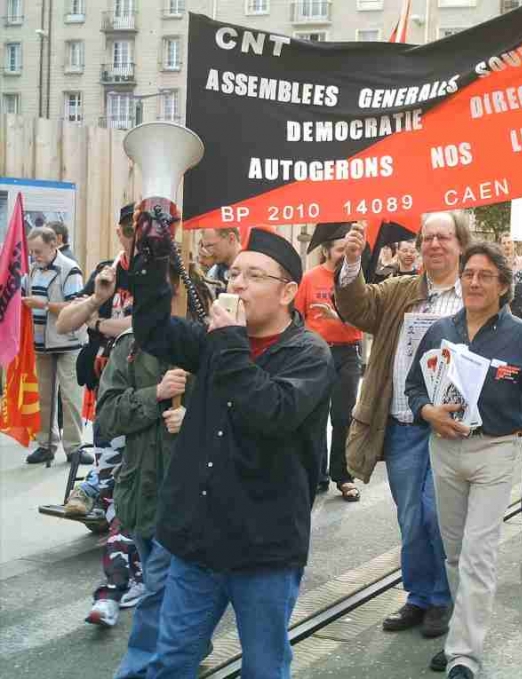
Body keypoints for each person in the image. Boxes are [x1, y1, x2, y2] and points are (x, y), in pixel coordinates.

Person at [131, 228, 334, 678]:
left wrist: (229, 342)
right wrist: (150, 260)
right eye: (235, 272)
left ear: (287, 292)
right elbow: (151, 330)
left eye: (254, 276)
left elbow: (271, 412)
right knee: (171, 662)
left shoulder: (310, 353)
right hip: (197, 541)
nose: (236, 284)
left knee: (263, 668)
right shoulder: (215, 338)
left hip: (264, 549)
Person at [406, 242, 522, 679]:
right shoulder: (440, 330)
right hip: (445, 450)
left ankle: (464, 656)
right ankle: (463, 631)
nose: (474, 282)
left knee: (478, 555)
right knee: (455, 553)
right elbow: (413, 388)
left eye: (485, 276)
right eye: (469, 274)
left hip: (494, 451)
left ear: (503, 285)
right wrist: (427, 412)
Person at [335, 213, 470, 638]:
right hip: (405, 424)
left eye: (443, 237)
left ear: (459, 244)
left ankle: (444, 598)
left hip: (454, 427)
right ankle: (419, 597)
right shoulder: (400, 291)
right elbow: (356, 306)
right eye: (427, 238)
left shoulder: (477, 294)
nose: (434, 245)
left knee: (438, 514)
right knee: (412, 517)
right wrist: (353, 261)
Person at [100, 262, 209, 676]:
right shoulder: (129, 345)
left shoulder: (210, 345)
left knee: (160, 589)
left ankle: (140, 668)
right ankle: (186, 648)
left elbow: (243, 407)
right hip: (142, 491)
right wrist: (155, 395)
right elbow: (107, 416)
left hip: (188, 494)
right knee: (169, 588)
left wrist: (195, 415)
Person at [58, 203, 138, 498]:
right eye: (129, 230)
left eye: (141, 230)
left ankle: (108, 504)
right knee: (108, 459)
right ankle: (103, 499)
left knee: (131, 464)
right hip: (105, 384)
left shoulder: (158, 273)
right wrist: (96, 299)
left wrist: (99, 323)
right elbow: (65, 323)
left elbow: (143, 325)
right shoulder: (107, 270)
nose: (135, 238)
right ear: (119, 233)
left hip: (141, 386)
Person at [295, 227, 363, 501]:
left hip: (348, 353)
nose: (344, 255)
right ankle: (317, 473)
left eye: (348, 250)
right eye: (339, 250)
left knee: (342, 417)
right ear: (326, 251)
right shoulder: (310, 279)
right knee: (315, 416)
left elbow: (365, 319)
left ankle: (343, 476)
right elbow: (296, 318)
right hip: (316, 355)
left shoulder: (355, 279)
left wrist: (338, 317)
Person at [22, 227, 86, 465]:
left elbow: (76, 306)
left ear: (53, 245)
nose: (35, 256)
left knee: (70, 396)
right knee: (44, 398)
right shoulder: (33, 269)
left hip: (67, 342)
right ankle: (45, 445)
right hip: (42, 343)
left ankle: (74, 448)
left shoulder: (70, 269)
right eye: (32, 252)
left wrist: (45, 304)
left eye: (38, 251)